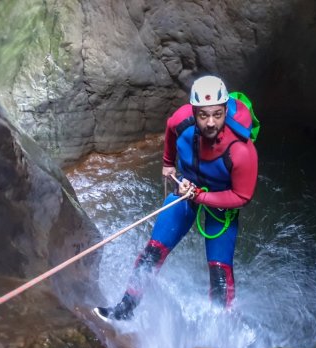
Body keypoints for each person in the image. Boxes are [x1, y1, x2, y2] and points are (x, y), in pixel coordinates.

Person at [93, 75, 258, 321]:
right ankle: (125, 309)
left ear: (225, 111)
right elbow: (170, 127)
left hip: (219, 202)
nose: (210, 122)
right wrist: (168, 162)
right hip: (186, 191)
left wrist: (201, 197)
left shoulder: (242, 151)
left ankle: (220, 333)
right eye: (203, 115)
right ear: (194, 112)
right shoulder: (182, 121)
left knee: (220, 272)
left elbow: (242, 196)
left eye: (217, 114)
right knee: (153, 252)